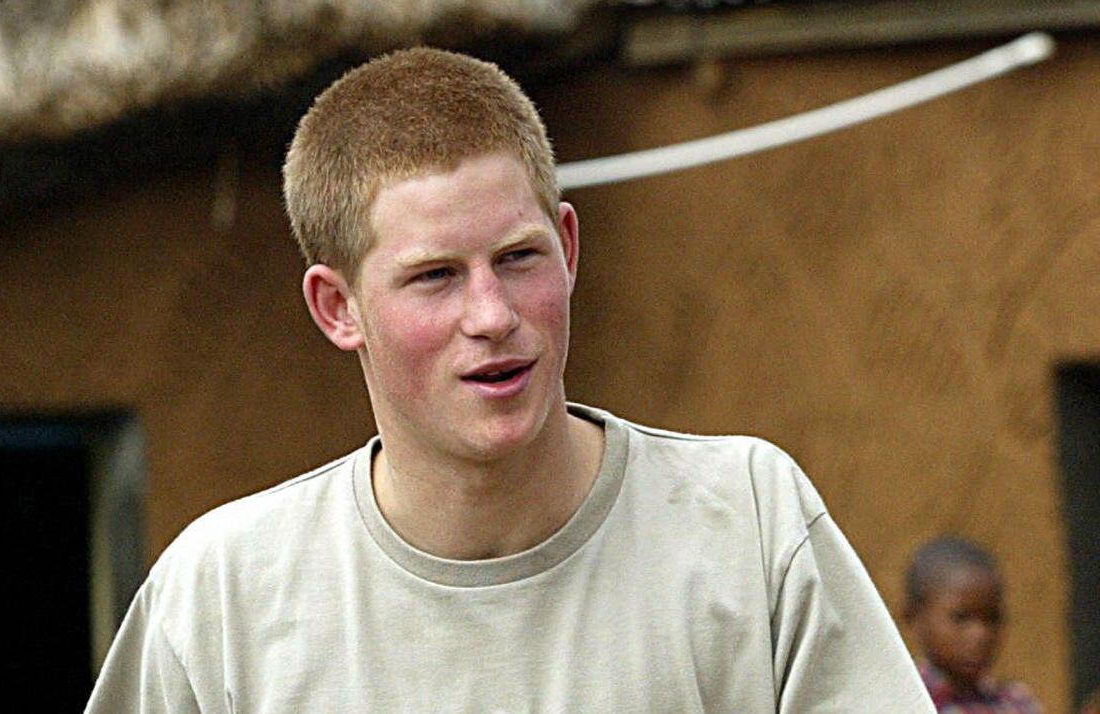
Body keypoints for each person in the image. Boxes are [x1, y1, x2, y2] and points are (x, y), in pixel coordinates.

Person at [84, 47, 934, 713]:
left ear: (568, 248)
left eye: (518, 258)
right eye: (435, 277)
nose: (492, 313)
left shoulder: (749, 525)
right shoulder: (222, 597)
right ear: (337, 307)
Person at [905, 535, 1044, 713]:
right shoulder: (901, 701)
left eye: (992, 619)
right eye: (961, 618)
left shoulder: (1014, 704)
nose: (980, 635)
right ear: (914, 617)